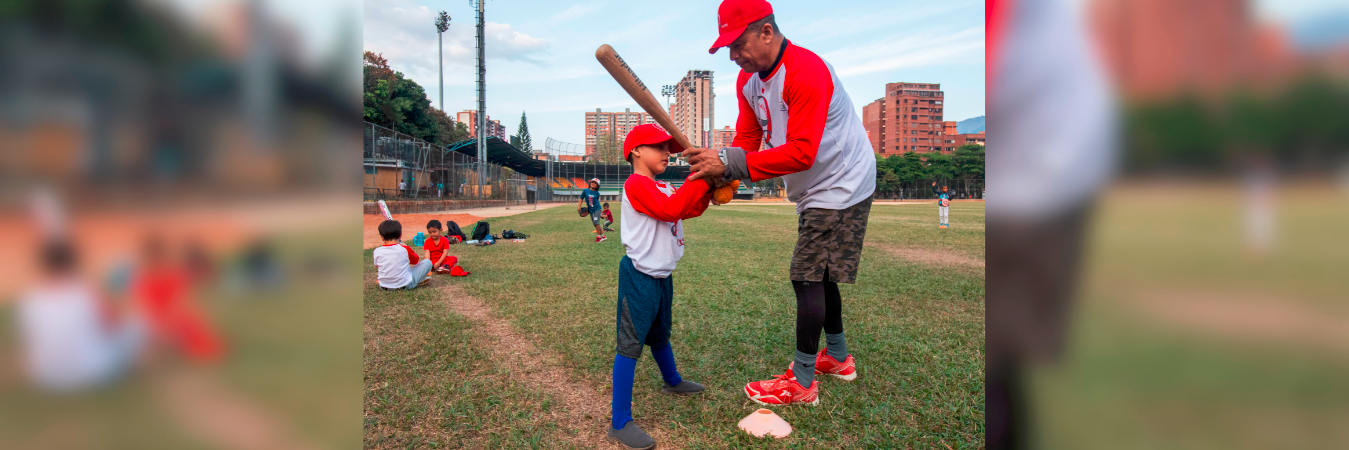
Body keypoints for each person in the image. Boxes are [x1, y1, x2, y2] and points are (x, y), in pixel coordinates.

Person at [685, 0, 876, 406]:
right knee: (821, 273)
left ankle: (802, 383)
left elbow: (801, 152)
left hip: (843, 179)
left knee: (806, 274)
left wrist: (730, 162)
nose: (733, 56)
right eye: (727, 49)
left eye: (738, 44)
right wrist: (727, 176)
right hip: (815, 186)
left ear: (766, 32)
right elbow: (747, 140)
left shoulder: (806, 70)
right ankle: (838, 358)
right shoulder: (748, 81)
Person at [607, 123, 712, 449]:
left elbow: (689, 207)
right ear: (636, 151)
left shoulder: (663, 185)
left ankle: (672, 381)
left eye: (668, 147)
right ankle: (619, 420)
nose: (667, 152)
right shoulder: (636, 183)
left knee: (660, 334)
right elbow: (671, 210)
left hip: (663, 274)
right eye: (658, 146)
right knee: (631, 344)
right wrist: (703, 178)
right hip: (639, 275)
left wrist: (711, 188)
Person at [17, 240, 147, 391]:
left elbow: (29, 338)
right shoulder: (86, 293)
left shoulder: (30, 297)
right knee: (138, 324)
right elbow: (114, 326)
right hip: (89, 373)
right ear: (74, 261)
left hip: (44, 375)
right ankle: (140, 365)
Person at [373, 220, 433, 290]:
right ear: (400, 235)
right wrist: (407, 247)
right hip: (405, 286)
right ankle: (417, 280)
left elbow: (378, 266)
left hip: (383, 286)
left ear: (382, 237)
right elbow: (415, 261)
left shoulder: (377, 251)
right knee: (428, 262)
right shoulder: (404, 249)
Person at [578, 178, 607, 242]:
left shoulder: (597, 193)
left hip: (597, 209)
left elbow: (596, 201)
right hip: (591, 210)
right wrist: (579, 206)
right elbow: (581, 198)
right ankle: (603, 236)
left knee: (596, 222)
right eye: (592, 182)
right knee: (595, 223)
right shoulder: (585, 191)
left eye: (595, 183)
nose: (593, 183)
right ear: (590, 183)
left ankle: (599, 237)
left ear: (597, 186)